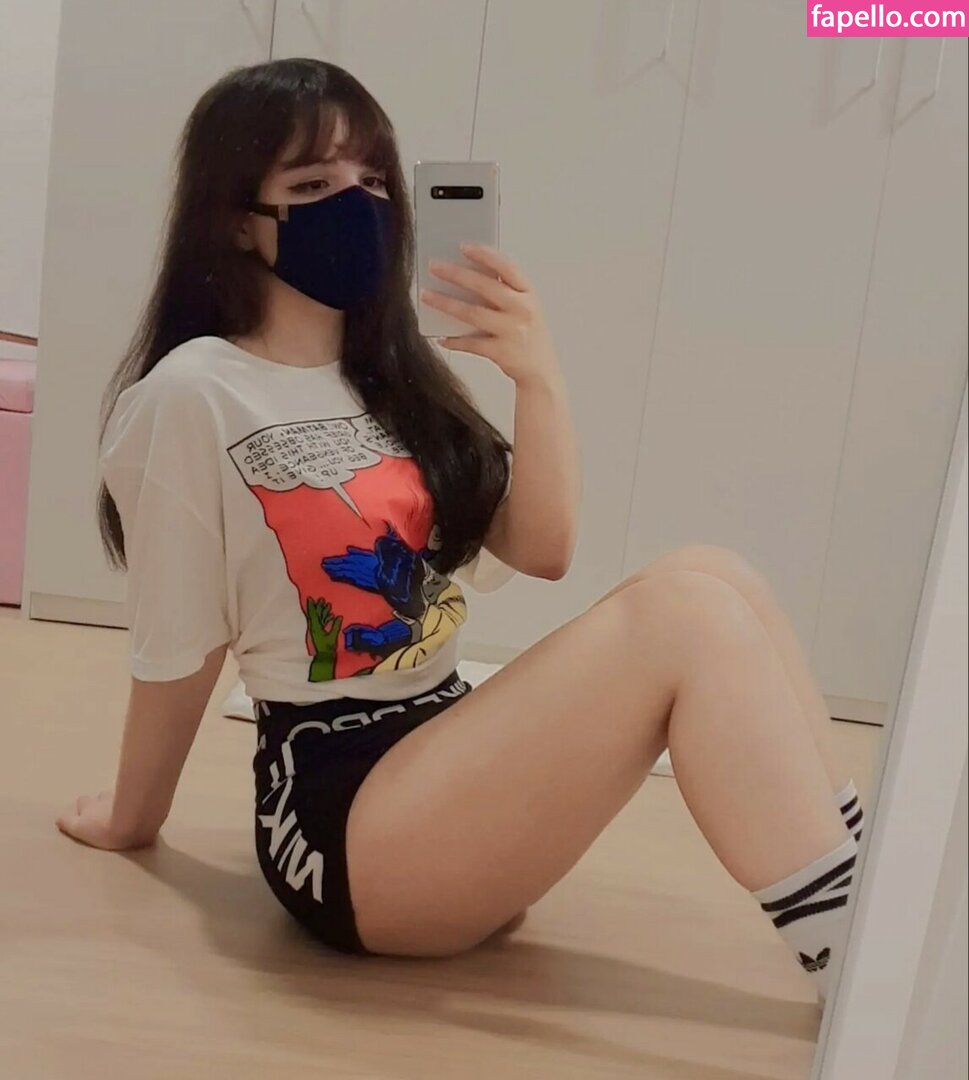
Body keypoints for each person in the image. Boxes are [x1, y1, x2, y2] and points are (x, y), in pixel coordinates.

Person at [57, 59, 864, 1001]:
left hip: (444, 755)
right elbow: (180, 645)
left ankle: (869, 895)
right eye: (311, 186)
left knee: (716, 575)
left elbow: (541, 551)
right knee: (686, 616)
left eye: (371, 180)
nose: (355, 205)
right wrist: (133, 818)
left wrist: (537, 376)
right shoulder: (194, 394)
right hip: (343, 815)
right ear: (238, 219)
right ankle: (861, 964)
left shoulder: (388, 379)